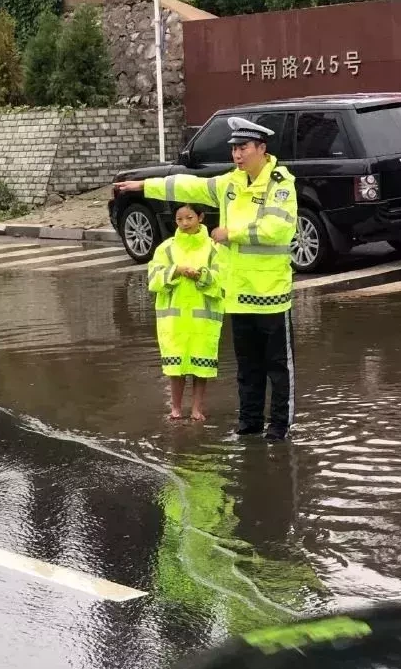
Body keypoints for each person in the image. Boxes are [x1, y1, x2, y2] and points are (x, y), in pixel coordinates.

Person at [118, 116, 297, 441]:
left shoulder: (280, 184)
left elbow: (278, 228)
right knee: (248, 370)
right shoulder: (232, 183)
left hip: (272, 294)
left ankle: (280, 428)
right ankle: (249, 425)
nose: (237, 156)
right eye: (234, 150)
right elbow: (193, 185)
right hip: (239, 295)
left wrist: (232, 233)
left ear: (261, 148)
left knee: (278, 369)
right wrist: (146, 186)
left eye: (243, 148)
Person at [147, 204, 224, 422]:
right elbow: (153, 280)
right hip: (174, 320)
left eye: (189, 218)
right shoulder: (166, 248)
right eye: (180, 219)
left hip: (203, 320)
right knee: (176, 367)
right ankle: (176, 408)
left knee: (201, 368)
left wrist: (201, 276)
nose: (185, 223)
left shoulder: (214, 248)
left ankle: (197, 409)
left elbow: (222, 281)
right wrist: (176, 271)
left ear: (200, 217)